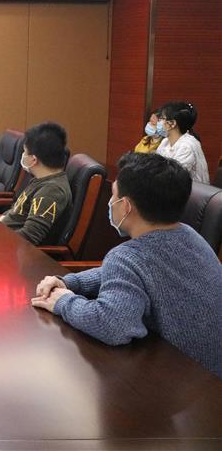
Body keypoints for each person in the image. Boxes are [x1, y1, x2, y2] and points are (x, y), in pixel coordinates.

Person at [32, 153, 222, 378]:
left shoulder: (127, 257)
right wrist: (70, 282)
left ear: (126, 206)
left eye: (113, 194)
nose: (110, 202)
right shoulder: (190, 234)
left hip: (186, 382)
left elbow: (113, 327)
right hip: (209, 374)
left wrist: (63, 301)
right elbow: (131, 273)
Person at [0, 122, 71, 245]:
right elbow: (16, 213)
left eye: (25, 152)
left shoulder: (52, 191)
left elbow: (29, 237)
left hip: (12, 250)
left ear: (33, 159)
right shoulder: (39, 180)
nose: (23, 156)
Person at [155, 101, 209, 184]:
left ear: (172, 123)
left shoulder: (187, 146)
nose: (158, 122)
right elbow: (155, 167)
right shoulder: (165, 141)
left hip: (191, 191)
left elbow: (172, 178)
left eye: (161, 118)